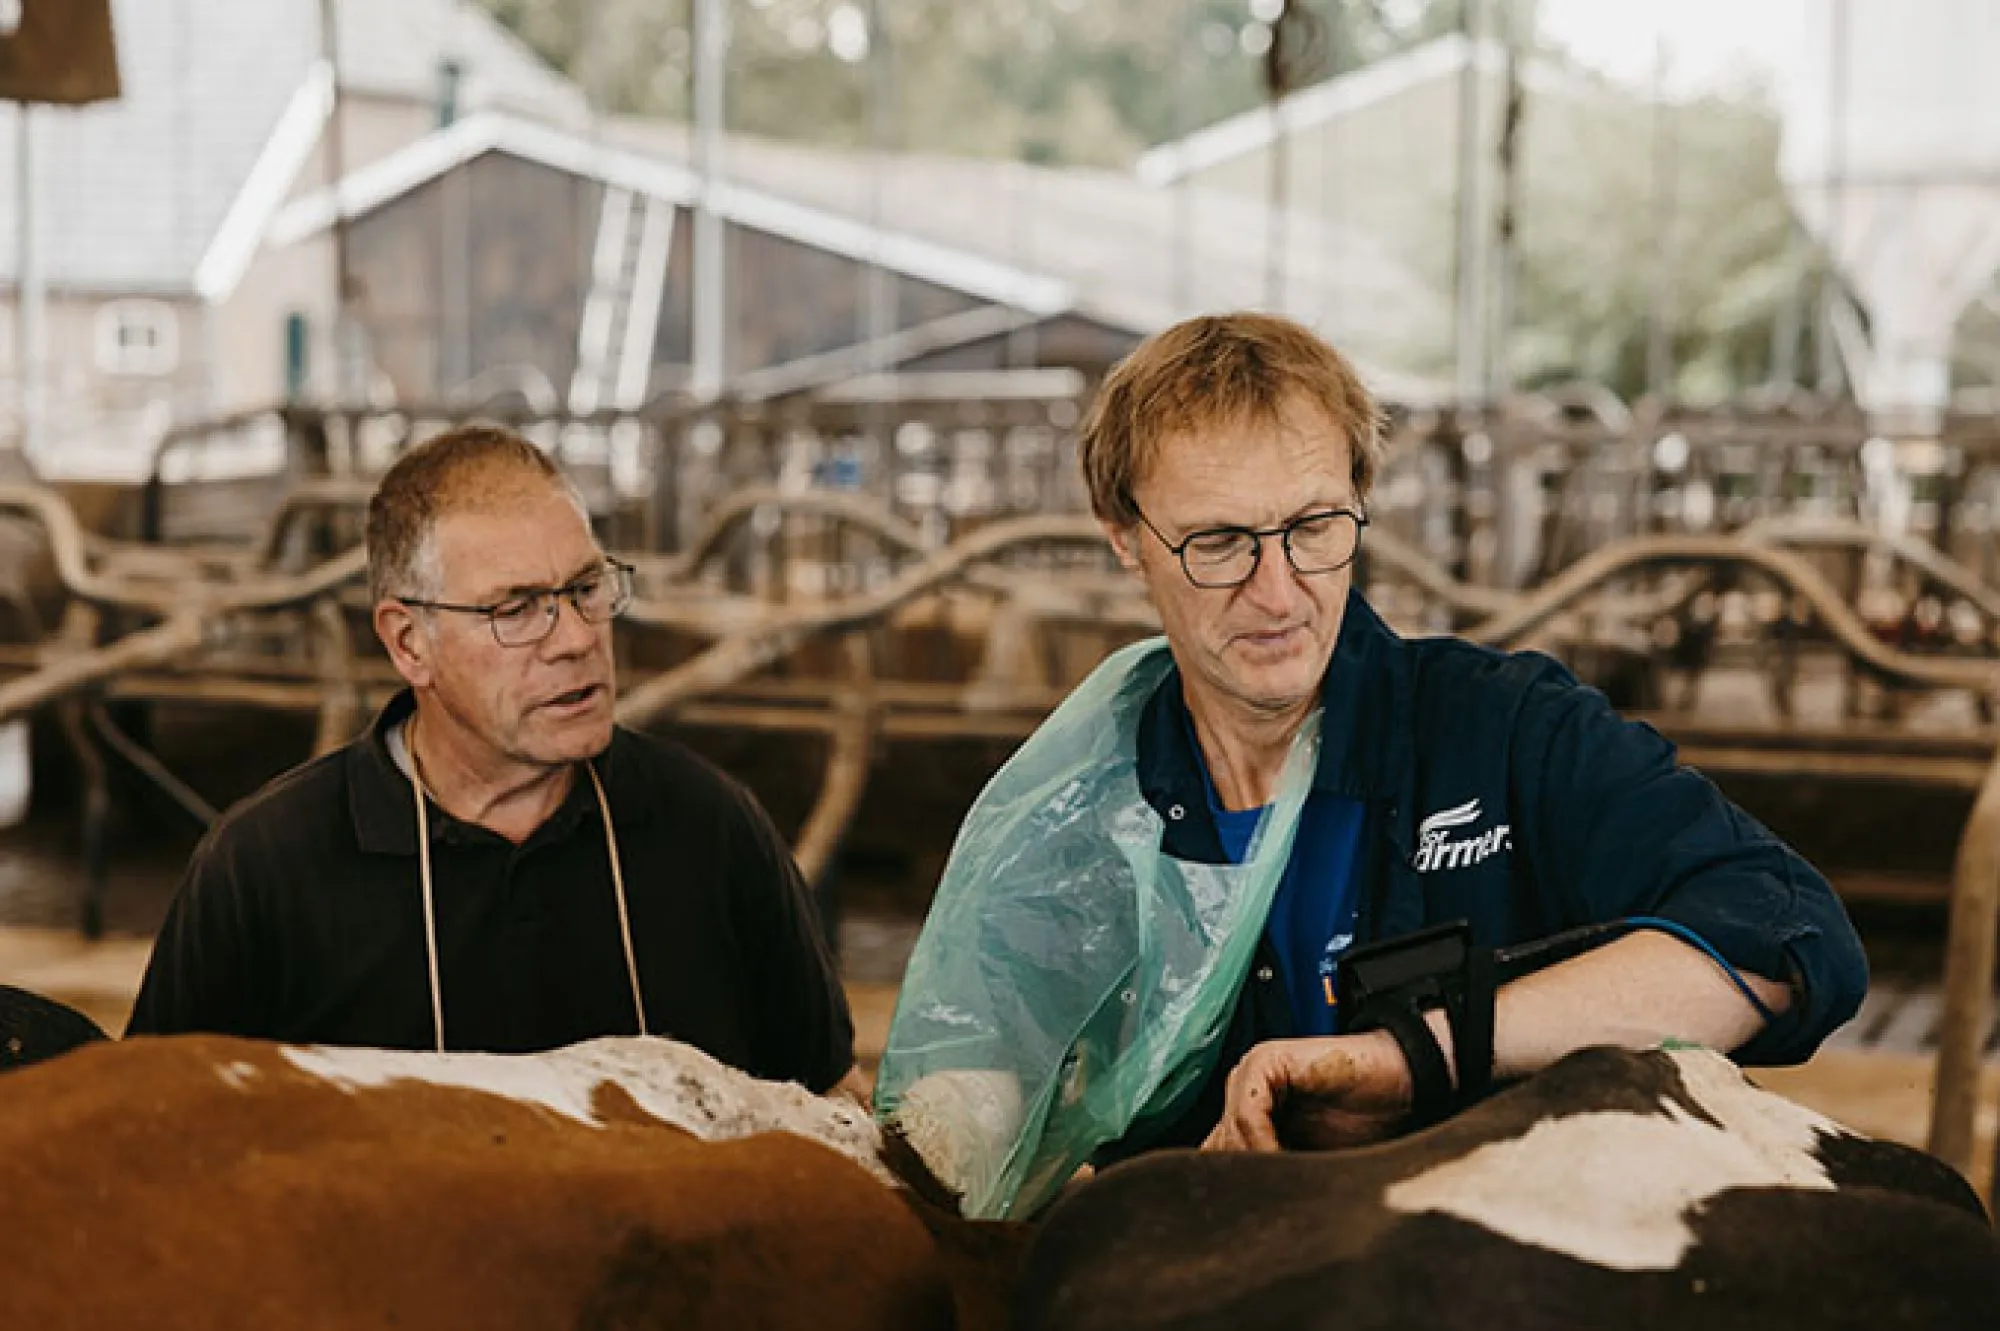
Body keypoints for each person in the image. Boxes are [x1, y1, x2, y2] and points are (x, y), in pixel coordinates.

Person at [876, 313, 1866, 1214]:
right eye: (1218, 542)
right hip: (1210, 1283)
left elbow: (1787, 937)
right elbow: (981, 1080)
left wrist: (1420, 1053)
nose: (1278, 593)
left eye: (1313, 527)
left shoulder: (1501, 731)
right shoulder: (1087, 811)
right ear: (1126, 538)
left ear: (1359, 498)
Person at [129, 425, 860, 1098]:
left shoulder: (710, 827)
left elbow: (832, 1100)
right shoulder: (263, 868)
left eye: (586, 589)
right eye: (515, 608)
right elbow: (151, 1129)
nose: (576, 638)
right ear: (409, 643)